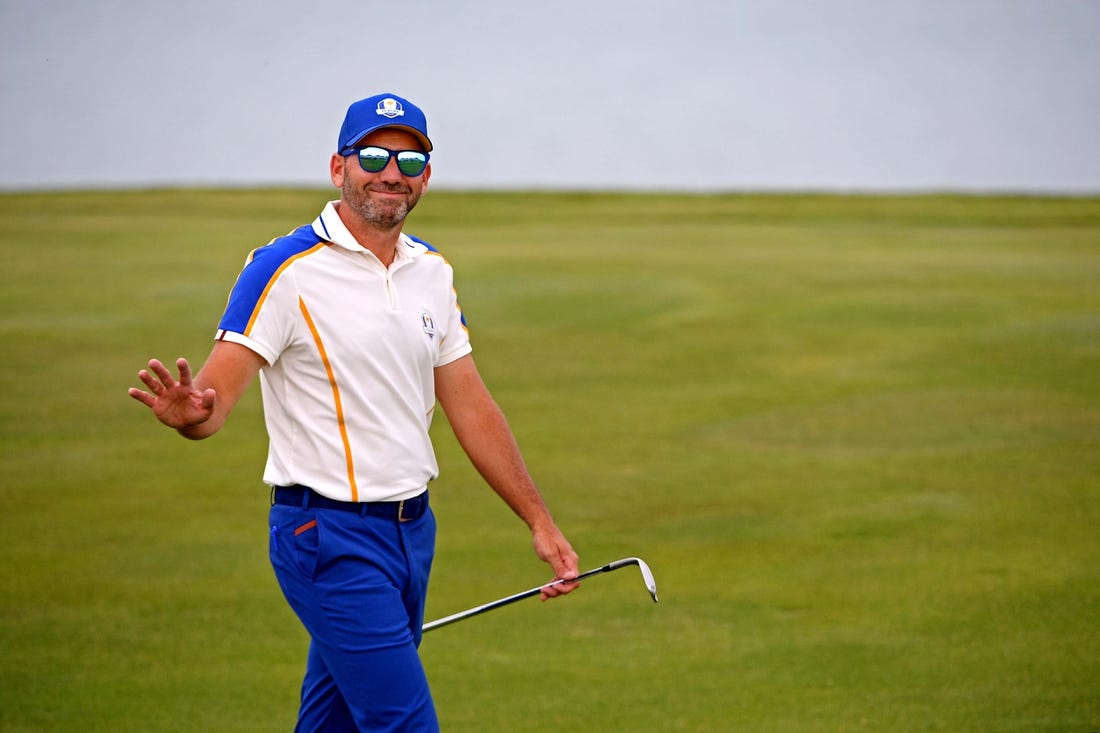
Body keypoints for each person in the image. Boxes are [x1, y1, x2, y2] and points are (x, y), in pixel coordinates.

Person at [128, 92, 580, 732]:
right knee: (404, 725)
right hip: (325, 539)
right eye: (372, 154)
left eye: (409, 158)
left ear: (426, 175)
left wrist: (539, 520)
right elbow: (214, 399)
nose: (391, 171)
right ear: (339, 168)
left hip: (411, 534)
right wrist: (191, 413)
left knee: (333, 723)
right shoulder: (282, 269)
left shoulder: (432, 272)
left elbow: (471, 406)